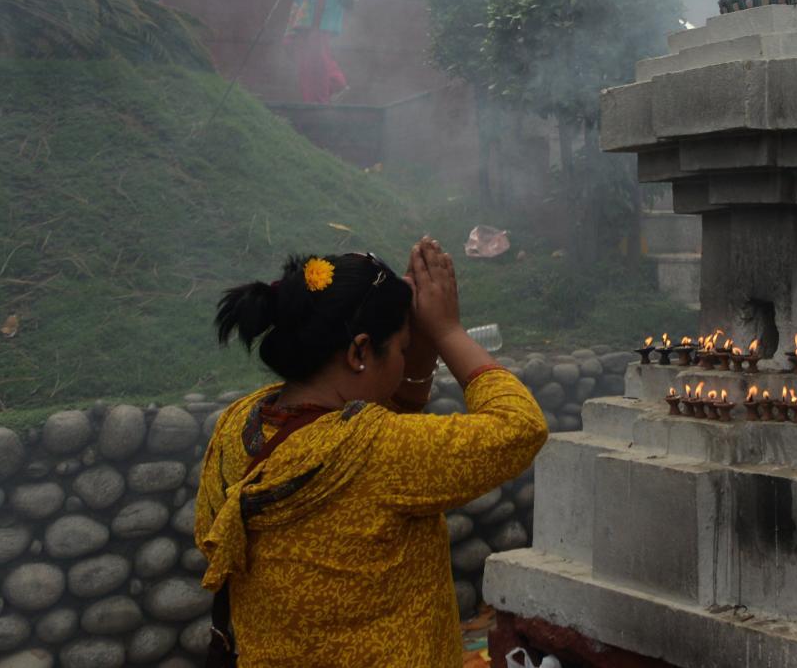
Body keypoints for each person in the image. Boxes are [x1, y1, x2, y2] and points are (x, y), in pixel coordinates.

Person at [199, 237, 547, 667]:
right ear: (359, 350)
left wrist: (417, 354)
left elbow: (361, 423)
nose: (406, 361)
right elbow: (520, 427)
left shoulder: (239, 425)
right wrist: (447, 332)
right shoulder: (377, 454)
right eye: (402, 350)